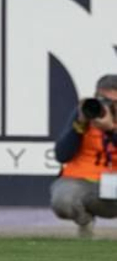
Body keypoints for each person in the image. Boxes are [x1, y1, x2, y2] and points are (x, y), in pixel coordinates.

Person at [49, 77, 117, 237]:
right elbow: (62, 155)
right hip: (81, 179)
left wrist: (110, 130)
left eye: (113, 101)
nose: (108, 105)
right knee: (62, 200)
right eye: (103, 100)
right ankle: (85, 222)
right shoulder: (87, 112)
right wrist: (80, 124)